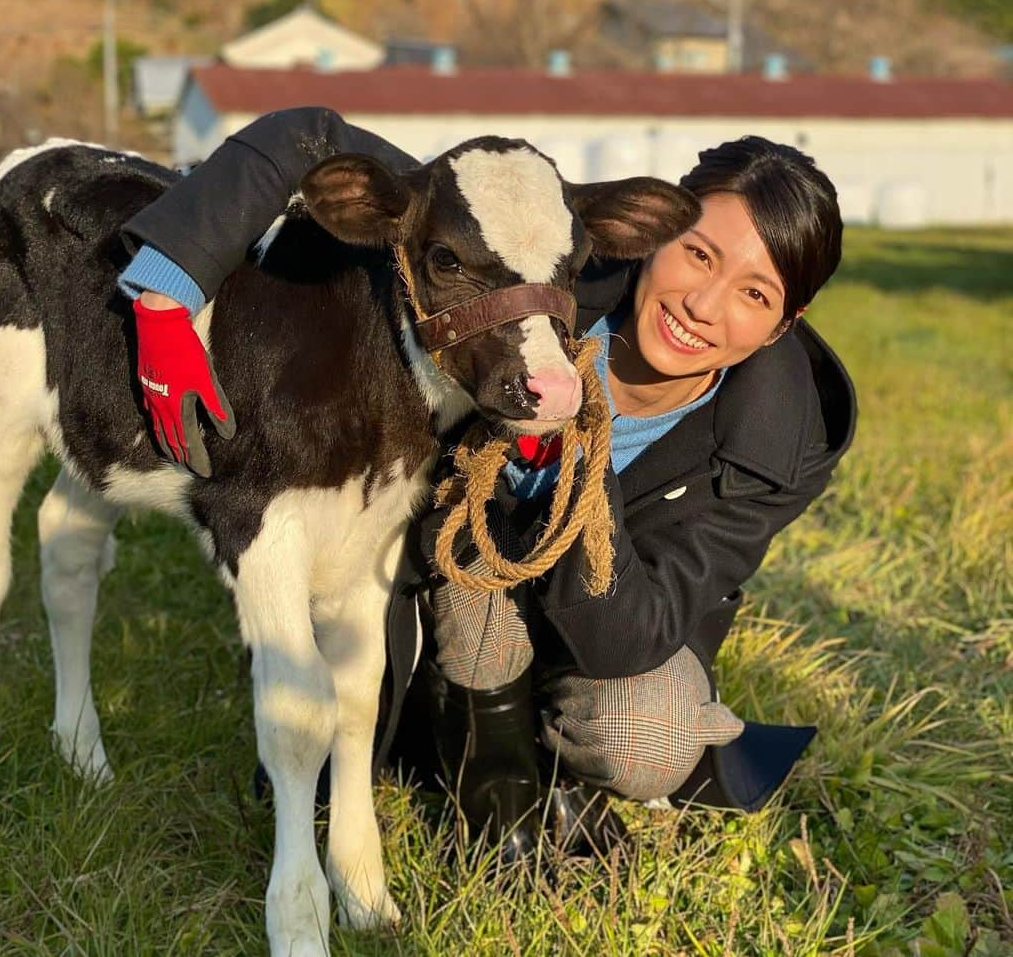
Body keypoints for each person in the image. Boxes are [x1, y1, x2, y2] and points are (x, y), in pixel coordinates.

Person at [118, 107, 855, 858]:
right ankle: (494, 803)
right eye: (698, 254)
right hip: (449, 585)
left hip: (605, 632)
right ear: (654, 230)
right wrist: (164, 293)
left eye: (754, 294)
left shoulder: (782, 444)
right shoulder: (536, 246)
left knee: (648, 738)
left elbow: (629, 636)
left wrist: (579, 463)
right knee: (471, 573)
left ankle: (558, 773)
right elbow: (310, 139)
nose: (704, 304)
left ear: (783, 325)